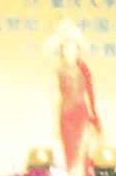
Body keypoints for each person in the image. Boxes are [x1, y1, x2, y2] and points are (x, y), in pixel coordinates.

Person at [45, 19, 103, 176]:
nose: (70, 51)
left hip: (81, 114)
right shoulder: (59, 71)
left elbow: (89, 95)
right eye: (66, 47)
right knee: (69, 154)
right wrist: (55, 123)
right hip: (66, 116)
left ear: (78, 50)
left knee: (82, 153)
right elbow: (55, 97)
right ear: (62, 50)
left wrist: (94, 118)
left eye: (73, 47)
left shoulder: (83, 70)